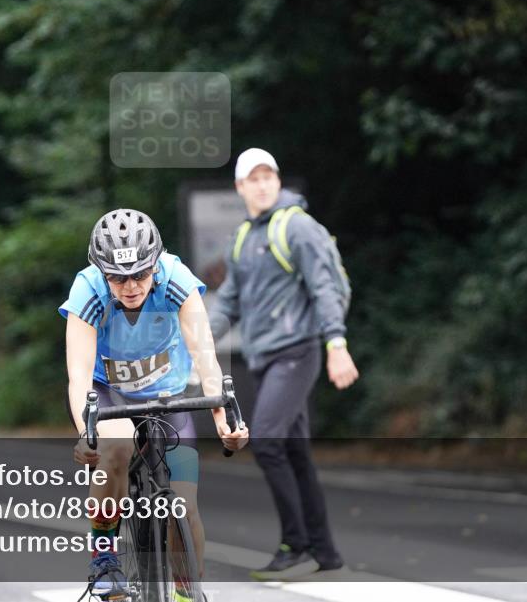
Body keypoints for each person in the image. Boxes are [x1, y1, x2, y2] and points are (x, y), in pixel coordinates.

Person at [61, 208, 250, 600]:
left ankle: (186, 592)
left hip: (168, 395)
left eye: (140, 275)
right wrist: (87, 433)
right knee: (115, 447)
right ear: (101, 271)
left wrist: (224, 420)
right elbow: (78, 375)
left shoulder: (177, 280)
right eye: (118, 277)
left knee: (184, 504)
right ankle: (104, 557)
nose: (130, 286)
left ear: (155, 265)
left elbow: (206, 357)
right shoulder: (89, 290)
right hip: (108, 392)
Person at [208, 148, 359, 579]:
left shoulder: (298, 226)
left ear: (277, 180)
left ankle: (295, 544)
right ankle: (325, 552)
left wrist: (336, 343)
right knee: (294, 451)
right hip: (266, 356)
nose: (262, 184)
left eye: (268, 175)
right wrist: (195, 342)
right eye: (252, 178)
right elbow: (229, 303)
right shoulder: (241, 238)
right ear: (240, 187)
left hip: (298, 350)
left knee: (268, 439)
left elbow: (325, 288)